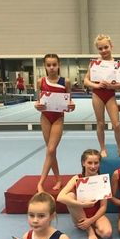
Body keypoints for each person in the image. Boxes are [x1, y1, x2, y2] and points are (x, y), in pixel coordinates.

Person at [34, 54, 75, 192]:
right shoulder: (40, 81)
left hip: (58, 118)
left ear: (59, 65)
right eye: (48, 65)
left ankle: (41, 182)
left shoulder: (65, 81)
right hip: (45, 117)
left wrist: (72, 106)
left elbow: (69, 101)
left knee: (50, 150)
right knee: (51, 152)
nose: (51, 68)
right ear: (45, 66)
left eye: (54, 65)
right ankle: (58, 179)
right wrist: (37, 105)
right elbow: (38, 101)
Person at [57, 149, 112, 239]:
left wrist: (91, 220)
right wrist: (82, 204)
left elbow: (103, 207)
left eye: (96, 163)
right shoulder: (76, 178)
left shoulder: (103, 180)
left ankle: (91, 225)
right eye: (89, 163)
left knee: (107, 234)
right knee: (70, 195)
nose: (93, 166)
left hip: (96, 215)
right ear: (83, 163)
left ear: (99, 163)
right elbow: (60, 197)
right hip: (79, 216)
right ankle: (89, 230)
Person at [84, 34, 120, 157]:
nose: (103, 51)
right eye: (100, 49)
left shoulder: (117, 64)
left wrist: (112, 86)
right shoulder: (95, 63)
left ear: (111, 46)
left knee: (116, 124)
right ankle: (102, 148)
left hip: (110, 95)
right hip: (98, 95)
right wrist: (96, 86)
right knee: (100, 123)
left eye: (106, 47)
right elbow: (86, 81)